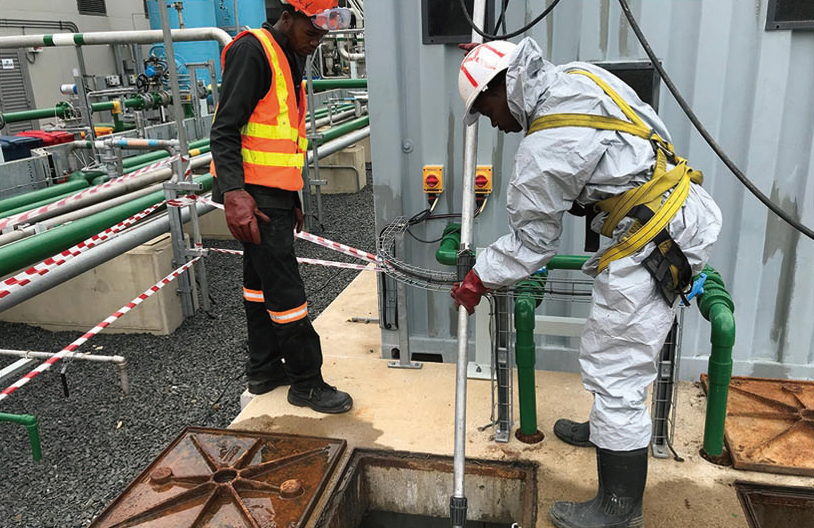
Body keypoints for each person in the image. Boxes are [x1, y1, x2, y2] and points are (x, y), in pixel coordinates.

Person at [451, 38, 722, 528]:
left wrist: (479, 277)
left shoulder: (543, 148)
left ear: (501, 87)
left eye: (487, 110)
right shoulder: (579, 76)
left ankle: (619, 507)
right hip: (679, 211)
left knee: (616, 370)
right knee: (607, 345)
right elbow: (642, 133)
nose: (494, 123)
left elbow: (534, 244)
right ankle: (605, 432)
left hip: (655, 239)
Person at [209, 0, 353, 414]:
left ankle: (265, 368)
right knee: (287, 290)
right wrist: (234, 193)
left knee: (259, 285)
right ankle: (306, 382)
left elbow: (279, 139)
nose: (316, 41)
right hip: (252, 196)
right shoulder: (253, 51)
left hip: (272, 195)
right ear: (287, 17)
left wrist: (291, 196)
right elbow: (224, 129)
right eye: (311, 32)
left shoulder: (289, 55)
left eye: (322, 35)